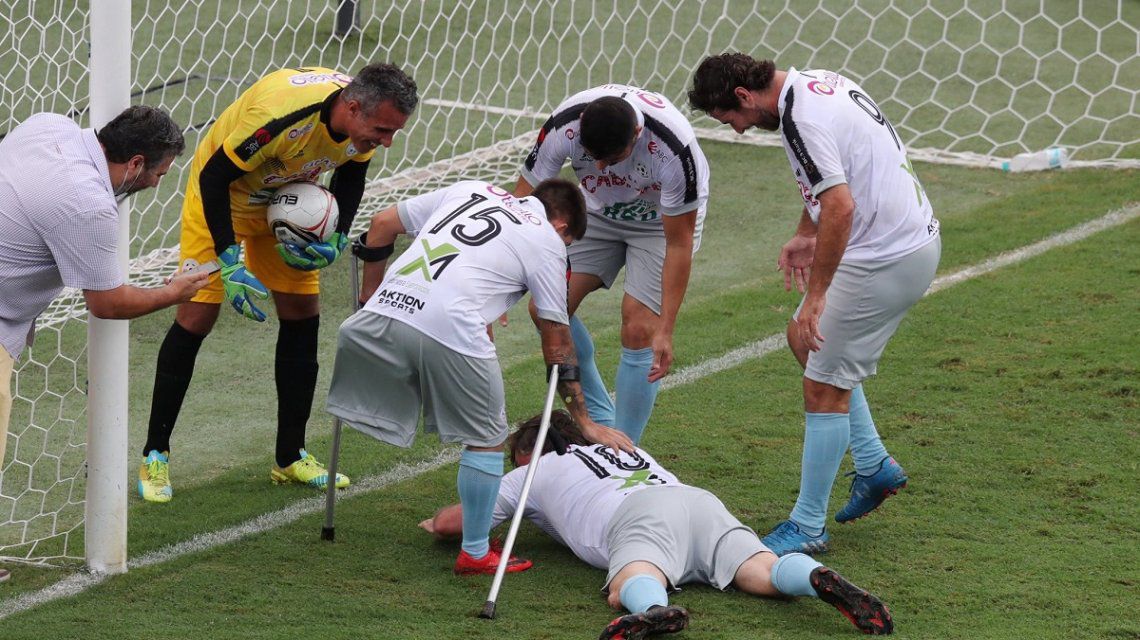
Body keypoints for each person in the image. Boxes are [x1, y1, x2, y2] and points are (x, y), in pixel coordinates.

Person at [688, 54, 942, 555]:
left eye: (730, 118)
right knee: (802, 340)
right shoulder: (816, 84)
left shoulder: (800, 117)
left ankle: (807, 527)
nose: (737, 130)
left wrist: (818, 295)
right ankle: (873, 463)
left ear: (744, 96)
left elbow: (841, 206)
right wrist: (807, 232)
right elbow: (830, 181)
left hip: (883, 258)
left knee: (823, 387)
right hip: (908, 241)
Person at [137, 64, 418, 503]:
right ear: (352, 108)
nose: (387, 141)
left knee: (302, 310)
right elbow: (214, 176)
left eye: (394, 131)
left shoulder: (362, 124)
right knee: (197, 314)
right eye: (383, 130)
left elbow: (351, 174)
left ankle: (290, 455)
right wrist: (228, 257)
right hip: (223, 200)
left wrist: (339, 235)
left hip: (287, 205)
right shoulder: (280, 117)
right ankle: (155, 453)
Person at [327, 178, 635, 576]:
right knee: (488, 438)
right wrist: (585, 422)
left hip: (373, 320)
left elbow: (382, 223)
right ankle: (474, 552)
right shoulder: (547, 240)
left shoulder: (471, 189)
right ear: (562, 227)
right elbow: (557, 338)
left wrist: (369, 296)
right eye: (568, 243)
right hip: (449, 329)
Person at [421, 410, 895, 638]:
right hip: (695, 502)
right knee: (760, 569)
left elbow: (450, 524)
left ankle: (652, 609)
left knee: (633, 574)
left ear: (530, 452)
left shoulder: (530, 471)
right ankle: (811, 578)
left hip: (636, 517)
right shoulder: (622, 446)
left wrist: (433, 520)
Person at [0, 106, 209, 582]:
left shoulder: (48, 126)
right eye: (158, 172)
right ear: (135, 163)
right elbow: (109, 303)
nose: (156, 183)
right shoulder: (87, 204)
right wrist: (174, 293)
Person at [514, 84, 710, 445]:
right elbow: (523, 201)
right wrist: (505, 276)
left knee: (640, 327)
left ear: (636, 134)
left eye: (612, 159)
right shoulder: (564, 126)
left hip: (660, 224)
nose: (601, 167)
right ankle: (603, 422)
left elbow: (679, 244)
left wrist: (665, 328)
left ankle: (625, 453)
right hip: (596, 213)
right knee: (546, 310)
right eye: (593, 158)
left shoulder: (673, 150)